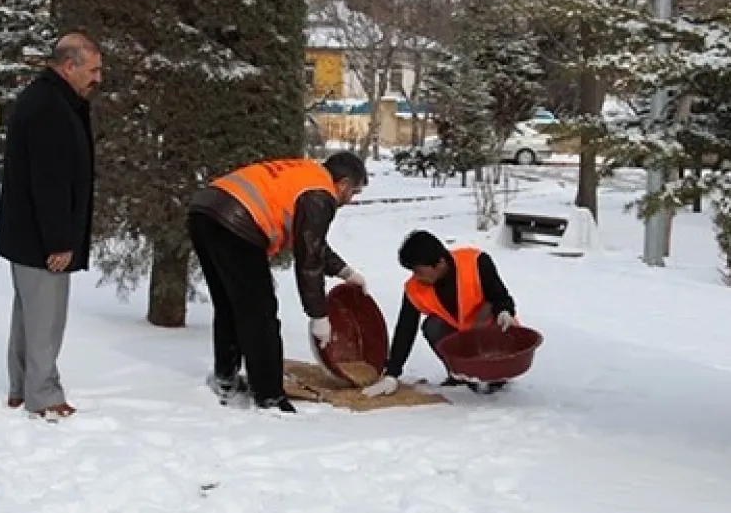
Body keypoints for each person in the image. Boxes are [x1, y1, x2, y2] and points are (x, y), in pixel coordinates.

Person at [186, 152, 369, 413]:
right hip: (236, 224)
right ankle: (270, 397)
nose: (350, 200)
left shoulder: (307, 176)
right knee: (260, 314)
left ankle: (226, 379)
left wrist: (345, 272)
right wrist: (318, 315)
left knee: (230, 306)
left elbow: (311, 243)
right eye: (355, 192)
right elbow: (309, 259)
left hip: (206, 212)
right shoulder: (321, 195)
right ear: (343, 183)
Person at [0, 31, 101, 420]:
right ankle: (43, 394)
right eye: (93, 69)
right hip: (41, 235)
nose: (98, 78)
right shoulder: (50, 107)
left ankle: (22, 387)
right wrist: (60, 240)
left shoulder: (51, 100)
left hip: (28, 232)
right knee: (46, 317)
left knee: (29, 314)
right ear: (69, 66)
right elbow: (50, 180)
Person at [362, 230, 519, 397]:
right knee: (432, 326)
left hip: (491, 335)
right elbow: (405, 328)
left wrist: (504, 312)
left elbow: (501, 296)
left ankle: (495, 376)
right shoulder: (415, 288)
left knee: (489, 310)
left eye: (419, 271)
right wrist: (392, 374)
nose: (416, 277)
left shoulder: (476, 262)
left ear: (439, 263)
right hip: (462, 337)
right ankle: (460, 374)